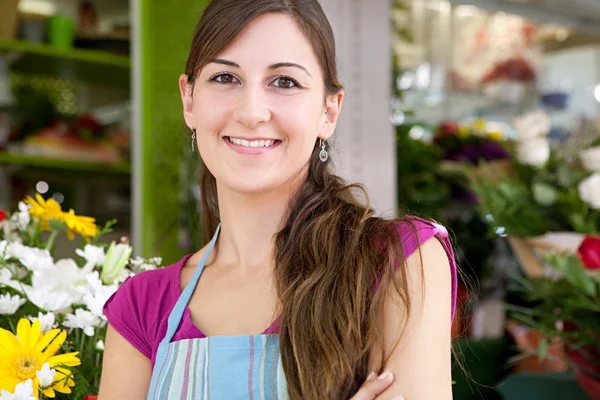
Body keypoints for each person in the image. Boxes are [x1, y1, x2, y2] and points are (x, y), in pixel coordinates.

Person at [98, 0, 457, 398]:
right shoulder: (140, 305)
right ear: (189, 101)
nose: (251, 112)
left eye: (284, 82)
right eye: (224, 78)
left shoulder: (397, 262)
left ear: (329, 111)